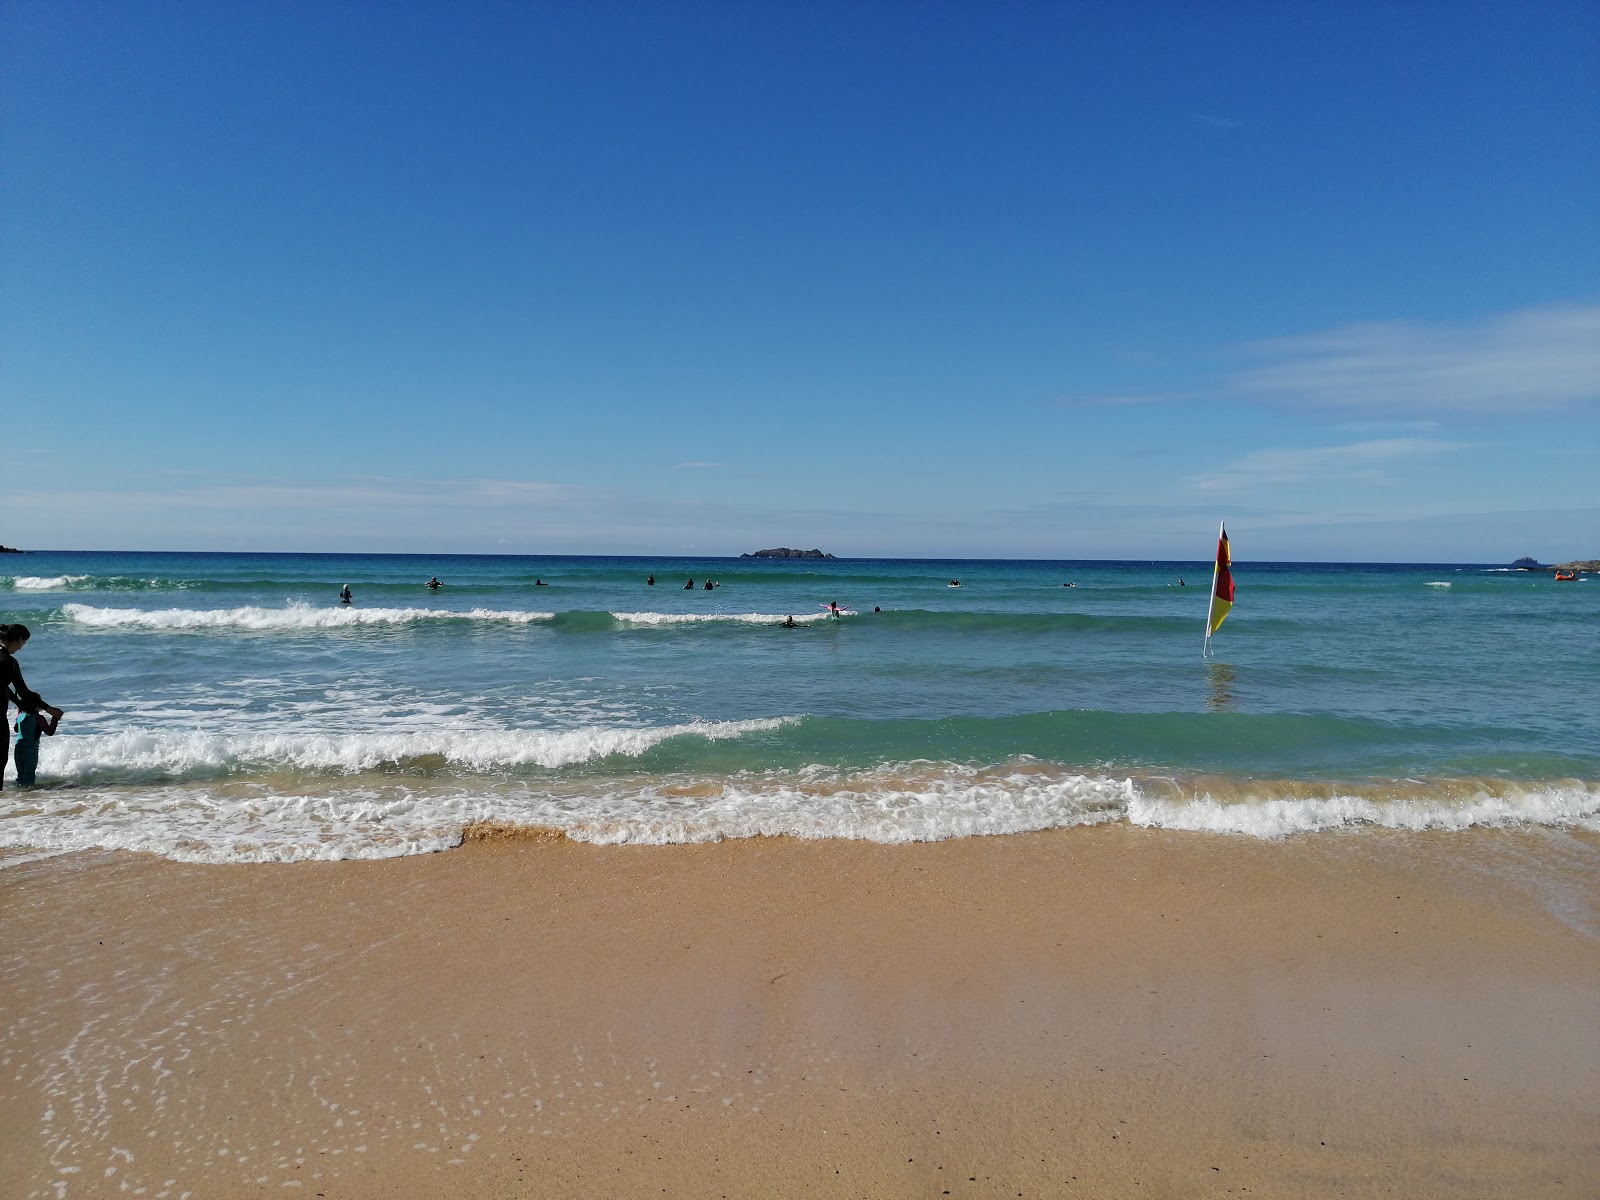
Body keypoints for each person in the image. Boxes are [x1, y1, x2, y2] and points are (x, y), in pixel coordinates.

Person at [1, 623, 63, 790]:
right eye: (23, 643)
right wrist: (48, 709)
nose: (21, 647)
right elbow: (23, 691)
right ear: (18, 639)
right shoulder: (8, 661)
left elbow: (5, 688)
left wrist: (18, 703)